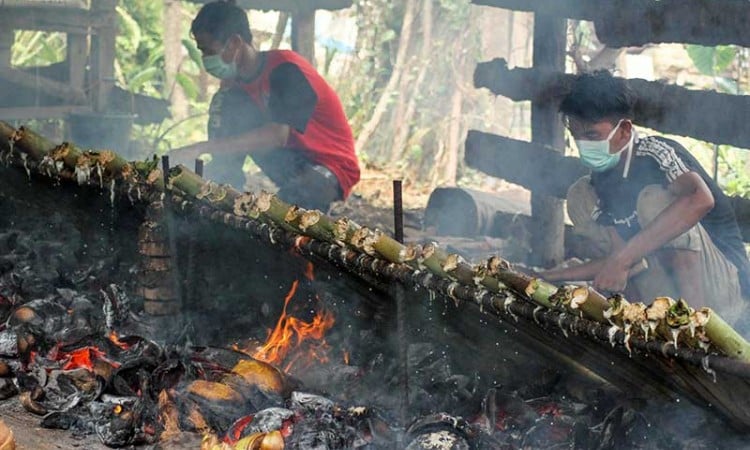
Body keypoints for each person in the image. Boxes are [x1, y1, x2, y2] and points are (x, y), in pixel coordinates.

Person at [540, 70, 750, 324]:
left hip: (723, 292)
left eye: (592, 135)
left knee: (652, 201)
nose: (583, 144)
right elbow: (621, 261)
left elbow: (701, 198)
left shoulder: (655, 153)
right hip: (664, 291)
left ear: (625, 130)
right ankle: (637, 320)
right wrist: (548, 277)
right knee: (579, 194)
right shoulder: (600, 180)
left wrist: (622, 258)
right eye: (577, 136)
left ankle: (693, 327)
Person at [173, 0, 360, 212]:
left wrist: (200, 148)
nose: (206, 59)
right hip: (289, 159)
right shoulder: (234, 86)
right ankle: (223, 189)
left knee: (286, 210)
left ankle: (296, 207)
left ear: (234, 42)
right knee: (225, 102)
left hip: (329, 167)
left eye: (209, 50)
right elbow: (237, 135)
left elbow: (277, 136)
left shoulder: (285, 69)